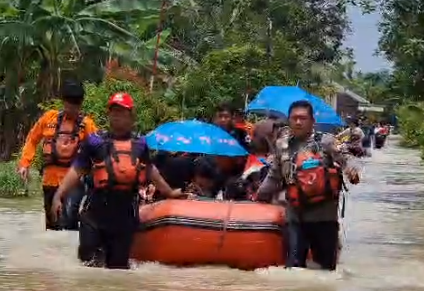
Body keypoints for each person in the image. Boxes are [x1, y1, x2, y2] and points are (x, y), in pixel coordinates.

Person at [50, 92, 187, 269]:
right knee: (89, 267)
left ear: (131, 116)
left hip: (124, 218)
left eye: (122, 112)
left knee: (118, 270)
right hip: (94, 216)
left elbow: (150, 170)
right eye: (114, 111)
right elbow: (76, 170)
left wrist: (169, 192)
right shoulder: (95, 142)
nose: (117, 116)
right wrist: (58, 196)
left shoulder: (140, 145)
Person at [256, 100, 360, 271]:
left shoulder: (326, 142)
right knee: (294, 269)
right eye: (294, 118)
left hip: (325, 219)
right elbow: (274, 176)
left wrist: (352, 171)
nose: (298, 122)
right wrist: (259, 196)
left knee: (326, 270)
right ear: (288, 120)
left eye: (303, 118)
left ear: (312, 121)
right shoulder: (282, 146)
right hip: (295, 218)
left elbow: (348, 158)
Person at [17, 80, 98, 230]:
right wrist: (24, 163)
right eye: (69, 104)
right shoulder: (49, 119)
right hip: (49, 181)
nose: (72, 109)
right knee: (53, 228)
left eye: (75, 105)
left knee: (68, 220)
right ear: (63, 102)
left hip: (74, 182)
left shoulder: (87, 125)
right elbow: (32, 140)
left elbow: (99, 151)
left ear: (80, 104)